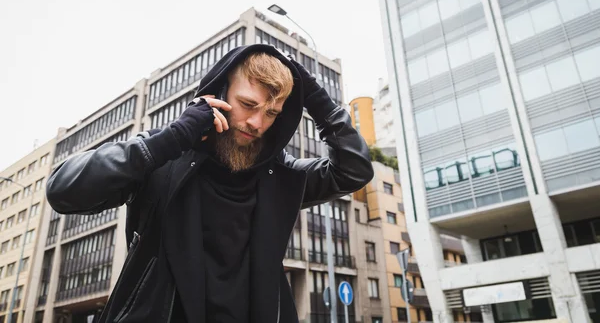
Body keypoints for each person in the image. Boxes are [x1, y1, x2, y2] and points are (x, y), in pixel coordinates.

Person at [46, 43, 374, 323]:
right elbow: (63, 190)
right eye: (248, 105)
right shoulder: (165, 159)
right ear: (219, 93)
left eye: (272, 113)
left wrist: (318, 100)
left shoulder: (280, 175)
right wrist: (172, 137)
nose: (258, 123)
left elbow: (353, 173)